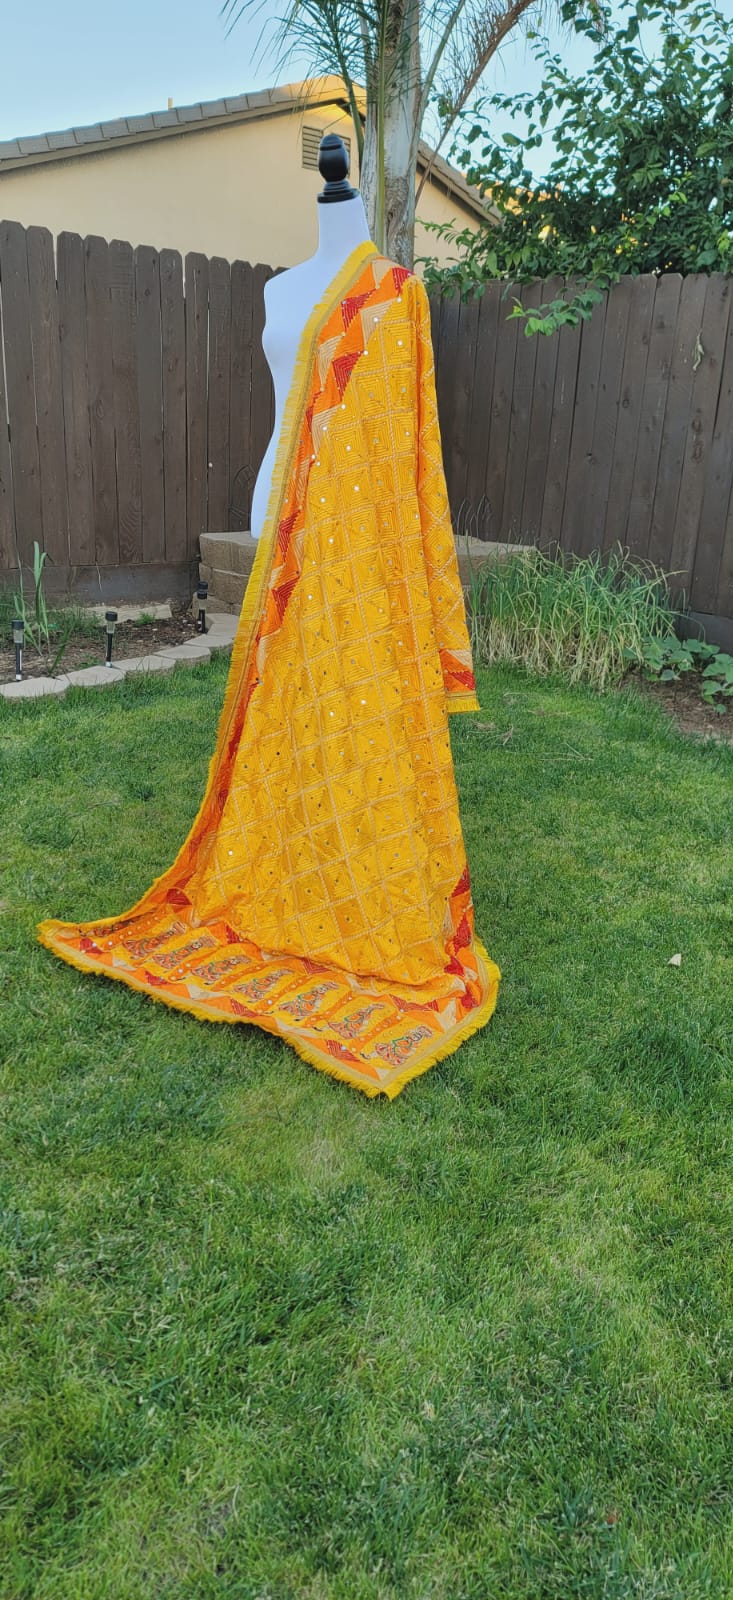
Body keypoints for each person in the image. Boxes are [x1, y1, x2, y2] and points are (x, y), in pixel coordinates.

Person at [38, 137, 500, 1098]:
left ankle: (349, 877)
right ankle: (285, 864)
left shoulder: (397, 295)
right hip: (279, 508)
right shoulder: (278, 290)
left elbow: (410, 454)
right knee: (287, 711)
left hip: (355, 537)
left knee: (351, 705)